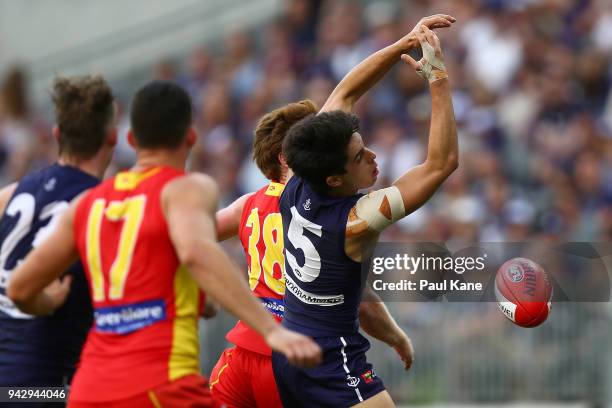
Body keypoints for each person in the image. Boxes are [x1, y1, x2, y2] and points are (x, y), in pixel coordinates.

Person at [7, 80, 321, 407]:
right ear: (190, 137)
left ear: (130, 139)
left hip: (90, 390)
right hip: (161, 385)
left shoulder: (88, 203)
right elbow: (197, 252)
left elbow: (19, 288)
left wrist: (47, 301)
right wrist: (271, 331)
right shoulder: (185, 190)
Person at [211, 14, 455, 407]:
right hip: (329, 359)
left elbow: (345, 90)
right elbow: (440, 164)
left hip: (279, 355)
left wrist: (401, 45)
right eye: (360, 157)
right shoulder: (356, 221)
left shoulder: (294, 184)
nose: (374, 157)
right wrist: (438, 78)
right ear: (334, 180)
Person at [0, 75, 116, 396]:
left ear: (56, 135)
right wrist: (45, 300)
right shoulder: (105, 208)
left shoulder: (10, 195)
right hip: (48, 388)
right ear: (113, 137)